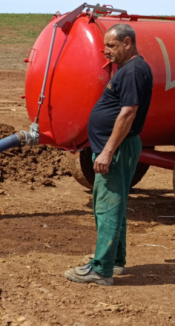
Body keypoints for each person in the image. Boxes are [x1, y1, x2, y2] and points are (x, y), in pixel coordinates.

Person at [65, 22, 153, 286]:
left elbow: (128, 113)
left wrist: (107, 152)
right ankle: (115, 260)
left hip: (116, 150)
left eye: (112, 46)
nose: (106, 51)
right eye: (105, 46)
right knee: (115, 206)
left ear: (128, 43)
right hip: (115, 148)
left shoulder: (134, 71)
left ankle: (101, 270)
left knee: (107, 207)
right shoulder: (130, 69)